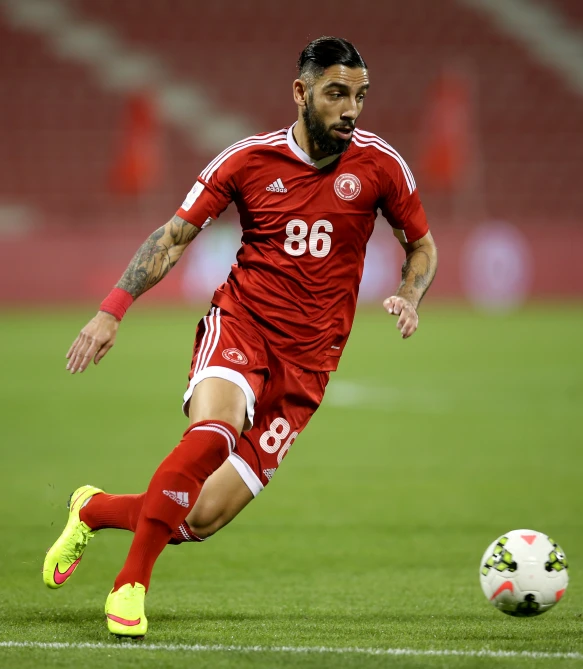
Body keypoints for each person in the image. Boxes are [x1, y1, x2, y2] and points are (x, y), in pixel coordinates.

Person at [43, 36, 438, 638]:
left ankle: (92, 508)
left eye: (359, 96)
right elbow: (175, 236)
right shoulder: (248, 160)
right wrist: (112, 310)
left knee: (199, 517)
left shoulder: (381, 165)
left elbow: (422, 245)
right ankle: (130, 585)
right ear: (301, 93)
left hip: (309, 367)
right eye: (336, 94)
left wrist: (410, 296)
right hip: (242, 326)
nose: (350, 109)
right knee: (214, 433)